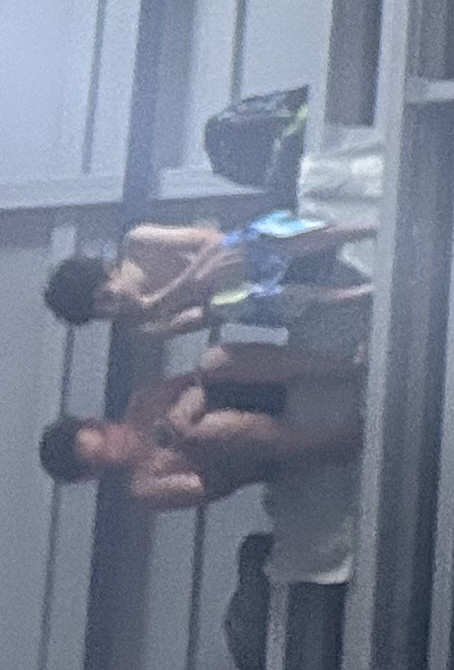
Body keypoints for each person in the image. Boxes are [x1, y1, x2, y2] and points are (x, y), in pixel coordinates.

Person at [41, 352, 362, 512]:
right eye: (104, 454)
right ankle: (339, 442)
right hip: (252, 453)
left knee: (214, 359)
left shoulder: (143, 401)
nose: (116, 440)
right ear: (95, 472)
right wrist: (189, 446)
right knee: (209, 431)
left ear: (96, 422)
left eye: (104, 432)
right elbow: (214, 488)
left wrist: (184, 411)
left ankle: (341, 365)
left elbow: (199, 381)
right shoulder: (144, 485)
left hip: (252, 393)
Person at [43, 214, 362, 338]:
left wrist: (167, 294)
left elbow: (210, 240)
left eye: (105, 297)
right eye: (103, 313)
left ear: (105, 273)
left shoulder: (138, 242)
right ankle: (355, 295)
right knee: (231, 302)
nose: (113, 307)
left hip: (239, 254)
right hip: (236, 295)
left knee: (240, 248)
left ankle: (364, 229)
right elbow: (208, 317)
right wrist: (194, 294)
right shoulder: (141, 324)